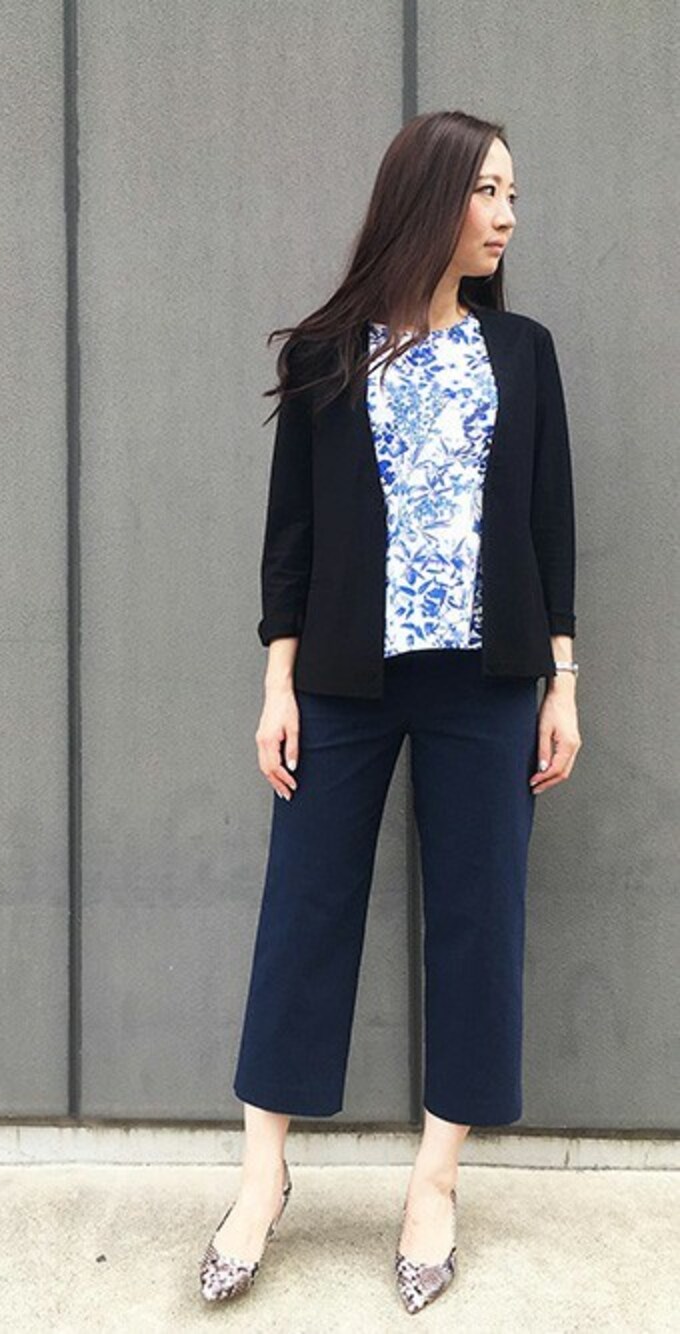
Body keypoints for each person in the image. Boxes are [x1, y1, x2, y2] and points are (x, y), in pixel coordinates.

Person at [198, 110, 581, 1315]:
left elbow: (549, 528)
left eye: (511, 193)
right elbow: (291, 540)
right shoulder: (329, 353)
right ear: (429, 199)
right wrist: (276, 686)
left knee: (478, 916)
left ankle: (434, 1180)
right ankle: (261, 1176)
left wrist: (562, 681)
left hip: (487, 679)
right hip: (342, 681)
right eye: (487, 191)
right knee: (304, 908)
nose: (507, 215)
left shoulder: (521, 351)